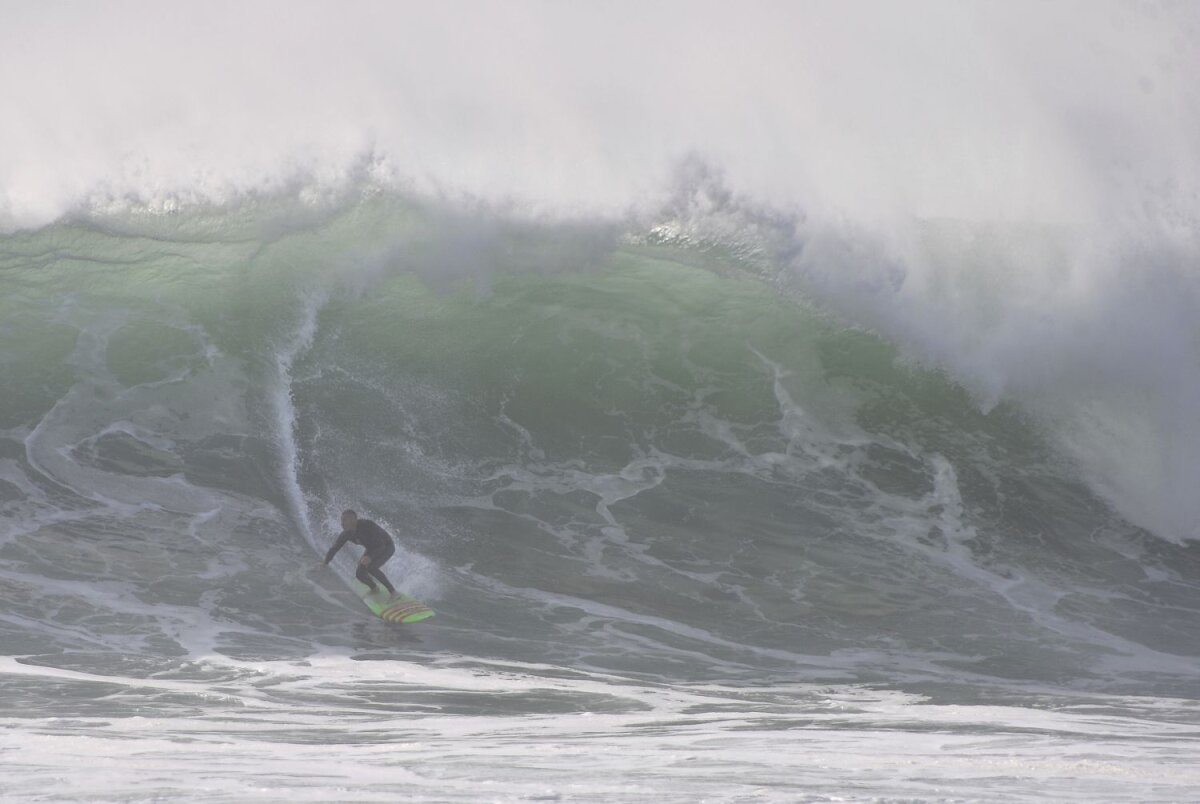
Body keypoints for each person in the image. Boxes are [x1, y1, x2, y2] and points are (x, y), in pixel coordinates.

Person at [321, 509, 398, 597]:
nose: (342, 523)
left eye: (344, 520)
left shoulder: (368, 525)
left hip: (387, 546)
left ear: (353, 520)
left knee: (371, 567)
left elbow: (381, 545)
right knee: (360, 574)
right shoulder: (347, 534)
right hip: (372, 548)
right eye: (341, 520)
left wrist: (370, 557)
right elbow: (335, 548)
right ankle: (374, 588)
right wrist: (325, 563)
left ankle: (393, 592)